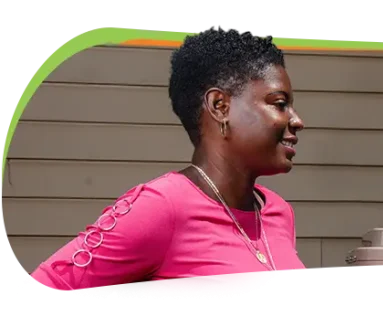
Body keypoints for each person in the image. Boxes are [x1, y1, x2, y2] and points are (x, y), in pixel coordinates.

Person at [22, 27, 308, 299]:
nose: (297, 120)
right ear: (220, 106)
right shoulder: (160, 207)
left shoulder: (278, 212)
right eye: (279, 103)